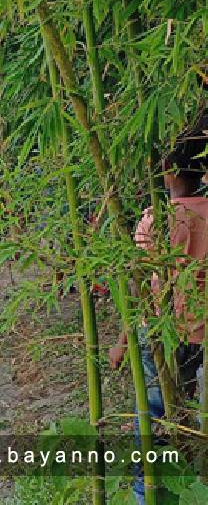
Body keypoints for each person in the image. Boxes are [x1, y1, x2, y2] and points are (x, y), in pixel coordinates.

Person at [109, 120, 208, 504]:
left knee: (150, 418)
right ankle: (188, 486)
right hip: (202, 336)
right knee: (193, 415)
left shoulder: (156, 219)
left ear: (168, 172)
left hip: (162, 334)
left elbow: (139, 289)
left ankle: (145, 491)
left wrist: (121, 342)